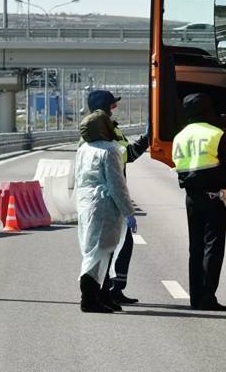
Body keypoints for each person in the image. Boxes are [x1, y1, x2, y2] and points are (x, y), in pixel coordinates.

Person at [172, 93, 226, 311]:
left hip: (191, 198)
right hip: (213, 197)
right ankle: (207, 297)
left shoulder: (180, 136)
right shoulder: (216, 134)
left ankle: (196, 298)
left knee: (195, 248)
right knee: (212, 247)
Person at [85, 90, 150, 305]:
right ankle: (104, 293)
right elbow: (124, 158)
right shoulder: (104, 140)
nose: (115, 108)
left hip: (97, 199)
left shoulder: (103, 133)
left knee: (111, 247)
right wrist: (147, 139)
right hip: (106, 199)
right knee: (108, 248)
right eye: (112, 105)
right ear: (104, 107)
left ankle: (109, 291)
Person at [75, 109, 136, 313]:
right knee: (100, 253)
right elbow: (117, 185)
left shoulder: (83, 149)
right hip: (104, 206)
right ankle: (89, 300)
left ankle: (101, 296)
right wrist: (128, 212)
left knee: (95, 250)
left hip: (86, 203)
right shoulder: (110, 150)